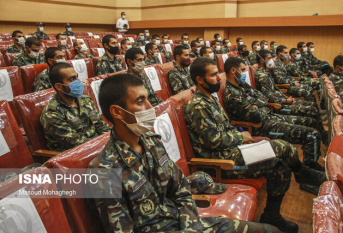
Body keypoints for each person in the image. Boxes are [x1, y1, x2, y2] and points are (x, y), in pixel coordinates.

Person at [89, 73, 280, 233]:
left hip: (185, 223)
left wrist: (191, 224)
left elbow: (180, 187)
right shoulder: (102, 171)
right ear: (118, 112)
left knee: (269, 230)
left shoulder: (151, 141)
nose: (150, 107)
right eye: (140, 101)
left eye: (148, 99)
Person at [185, 57, 326, 233]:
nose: (219, 78)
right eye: (213, 75)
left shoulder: (210, 99)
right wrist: (240, 137)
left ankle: (272, 215)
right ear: (199, 79)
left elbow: (226, 128)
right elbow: (213, 141)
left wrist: (239, 136)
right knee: (283, 147)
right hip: (220, 160)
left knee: (280, 165)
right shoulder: (197, 105)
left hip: (233, 150)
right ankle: (304, 174)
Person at [224, 56, 327, 171]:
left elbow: (263, 97)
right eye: (243, 70)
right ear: (233, 71)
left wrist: (257, 105)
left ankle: (311, 164)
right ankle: (309, 171)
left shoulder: (242, 85)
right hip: (261, 127)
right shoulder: (232, 94)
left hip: (270, 117)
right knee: (311, 134)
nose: (245, 73)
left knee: (311, 121)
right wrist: (260, 106)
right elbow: (256, 116)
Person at [40, 63, 110, 152]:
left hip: (97, 146)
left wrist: (111, 139)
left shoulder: (85, 100)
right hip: (75, 155)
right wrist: (104, 145)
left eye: (77, 77)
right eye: (72, 79)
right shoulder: (52, 113)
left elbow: (101, 126)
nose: (78, 82)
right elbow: (75, 143)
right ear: (59, 86)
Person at [255, 50, 324, 122]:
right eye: (269, 58)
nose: (272, 60)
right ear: (261, 60)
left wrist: (286, 98)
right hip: (278, 105)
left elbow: (273, 90)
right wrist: (286, 101)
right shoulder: (262, 76)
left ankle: (320, 122)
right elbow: (267, 96)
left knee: (312, 105)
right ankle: (320, 127)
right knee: (312, 110)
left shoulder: (266, 72)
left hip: (282, 99)